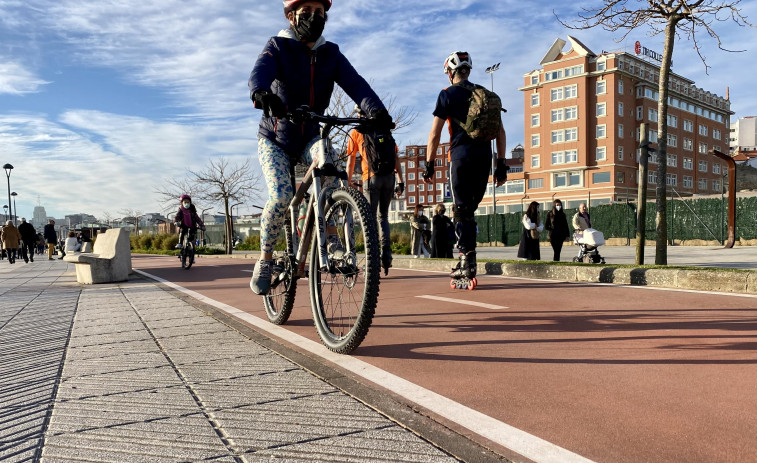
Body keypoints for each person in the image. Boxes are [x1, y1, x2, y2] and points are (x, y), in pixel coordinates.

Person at [248, 0, 392, 295]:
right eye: (307, 13)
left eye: (320, 13)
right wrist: (261, 93)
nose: (315, 18)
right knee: (280, 196)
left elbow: (356, 84)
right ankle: (264, 259)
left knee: (332, 167)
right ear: (291, 16)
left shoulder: (330, 53)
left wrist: (376, 111)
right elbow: (260, 72)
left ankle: (331, 237)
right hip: (275, 137)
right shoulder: (278, 45)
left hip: (309, 135)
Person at [424, 51, 508, 280]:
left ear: (450, 73)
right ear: (468, 70)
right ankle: (469, 255)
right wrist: (501, 164)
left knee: (461, 209)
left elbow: (435, 134)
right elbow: (500, 131)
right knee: (470, 209)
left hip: (460, 157)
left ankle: (466, 259)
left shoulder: (446, 94)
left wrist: (429, 164)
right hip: (484, 158)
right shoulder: (486, 94)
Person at [345, 105, 404, 275]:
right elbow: (396, 157)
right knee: (383, 217)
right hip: (389, 177)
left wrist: (347, 185)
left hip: (371, 177)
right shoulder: (384, 129)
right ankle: (386, 255)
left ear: (359, 114)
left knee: (369, 220)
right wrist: (401, 180)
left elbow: (350, 162)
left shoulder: (357, 131)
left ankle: (373, 262)